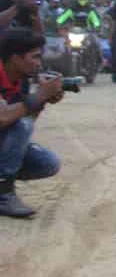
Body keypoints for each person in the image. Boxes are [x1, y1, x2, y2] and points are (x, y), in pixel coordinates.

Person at [0, 29, 65, 218]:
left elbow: (27, 120)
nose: (39, 63)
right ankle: (3, 194)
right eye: (34, 57)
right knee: (21, 124)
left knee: (47, 163)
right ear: (15, 58)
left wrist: (42, 101)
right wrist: (39, 96)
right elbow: (2, 118)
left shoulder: (22, 80)